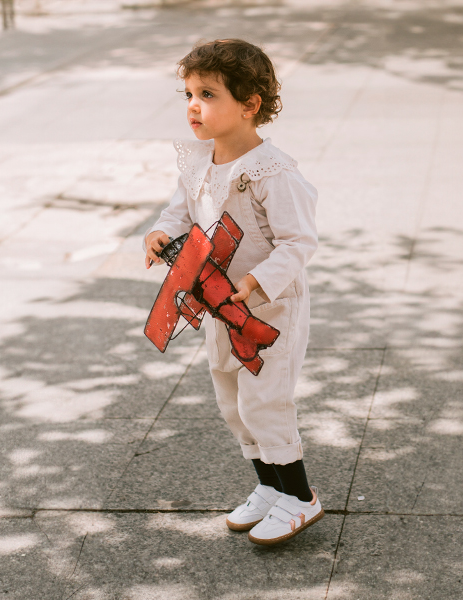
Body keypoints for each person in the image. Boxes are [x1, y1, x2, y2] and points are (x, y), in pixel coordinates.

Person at [143, 39, 322, 546]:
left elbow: (299, 240)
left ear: (249, 106)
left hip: (269, 308)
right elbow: (179, 211)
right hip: (217, 304)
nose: (193, 106)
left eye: (208, 94)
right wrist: (160, 232)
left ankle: (300, 496)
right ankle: (269, 488)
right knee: (232, 400)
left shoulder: (273, 172)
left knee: (266, 399)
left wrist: (259, 279)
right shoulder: (198, 162)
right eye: (188, 94)